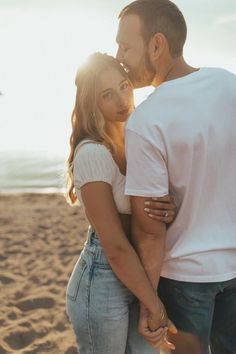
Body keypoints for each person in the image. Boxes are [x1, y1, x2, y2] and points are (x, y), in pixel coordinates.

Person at [116, 0, 236, 353]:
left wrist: (150, 304)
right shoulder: (229, 84)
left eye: (126, 45)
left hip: (184, 276)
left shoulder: (146, 120)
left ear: (157, 44)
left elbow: (150, 232)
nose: (119, 55)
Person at [65, 53, 177, 354]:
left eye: (124, 86)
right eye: (107, 94)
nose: (121, 100)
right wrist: (153, 304)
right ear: (93, 103)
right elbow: (114, 244)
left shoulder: (137, 142)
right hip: (101, 279)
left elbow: (146, 211)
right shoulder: (92, 154)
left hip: (138, 272)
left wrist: (168, 208)